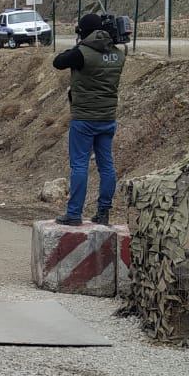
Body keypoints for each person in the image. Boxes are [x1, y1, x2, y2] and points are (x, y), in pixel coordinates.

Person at [50, 13, 126, 227]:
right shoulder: (118, 55)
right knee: (107, 166)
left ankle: (74, 213)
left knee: (80, 165)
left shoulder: (81, 53)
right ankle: (103, 212)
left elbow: (59, 62)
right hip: (107, 118)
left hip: (84, 118)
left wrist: (77, 46)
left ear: (83, 32)